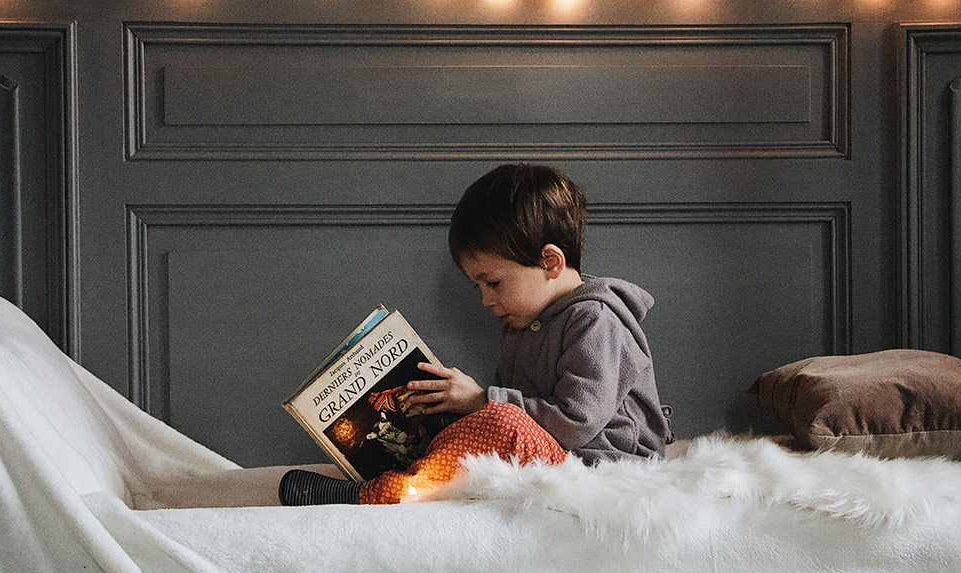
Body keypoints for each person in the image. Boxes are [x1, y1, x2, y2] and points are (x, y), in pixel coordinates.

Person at [276, 163, 674, 506]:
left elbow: (576, 421)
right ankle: (399, 476)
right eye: (478, 287)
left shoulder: (596, 320)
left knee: (500, 422)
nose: (486, 300)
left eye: (494, 283)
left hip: (602, 469)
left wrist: (483, 400)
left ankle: (370, 496)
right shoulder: (521, 320)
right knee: (458, 418)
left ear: (550, 262)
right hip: (554, 455)